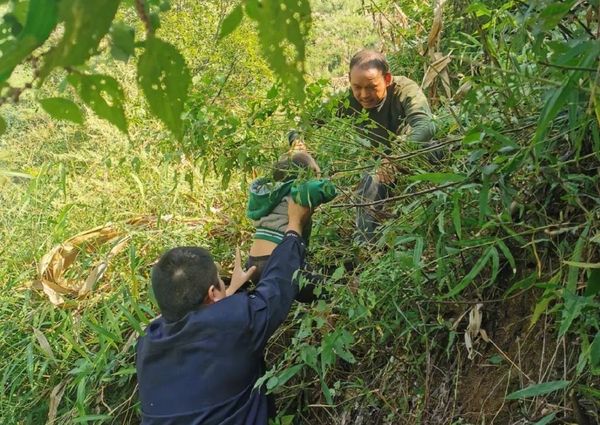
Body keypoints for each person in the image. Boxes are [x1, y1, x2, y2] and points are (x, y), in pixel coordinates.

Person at [135, 198, 312, 424]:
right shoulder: (234, 325)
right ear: (212, 293)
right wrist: (294, 227)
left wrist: (229, 290)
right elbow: (278, 285)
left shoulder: (147, 343)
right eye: (220, 281)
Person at [339, 49, 436, 242]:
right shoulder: (347, 99)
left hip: (411, 156)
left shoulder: (405, 89)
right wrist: (296, 140)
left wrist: (397, 157)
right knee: (370, 180)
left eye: (372, 87)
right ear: (349, 79)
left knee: (437, 149)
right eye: (357, 87)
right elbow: (310, 121)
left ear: (388, 79)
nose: (364, 94)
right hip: (379, 166)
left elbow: (426, 125)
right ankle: (365, 246)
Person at [241, 134, 336, 302]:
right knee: (328, 289)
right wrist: (328, 184)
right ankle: (329, 312)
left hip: (254, 263)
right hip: (277, 261)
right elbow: (324, 190)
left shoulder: (271, 195)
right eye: (316, 173)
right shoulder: (297, 191)